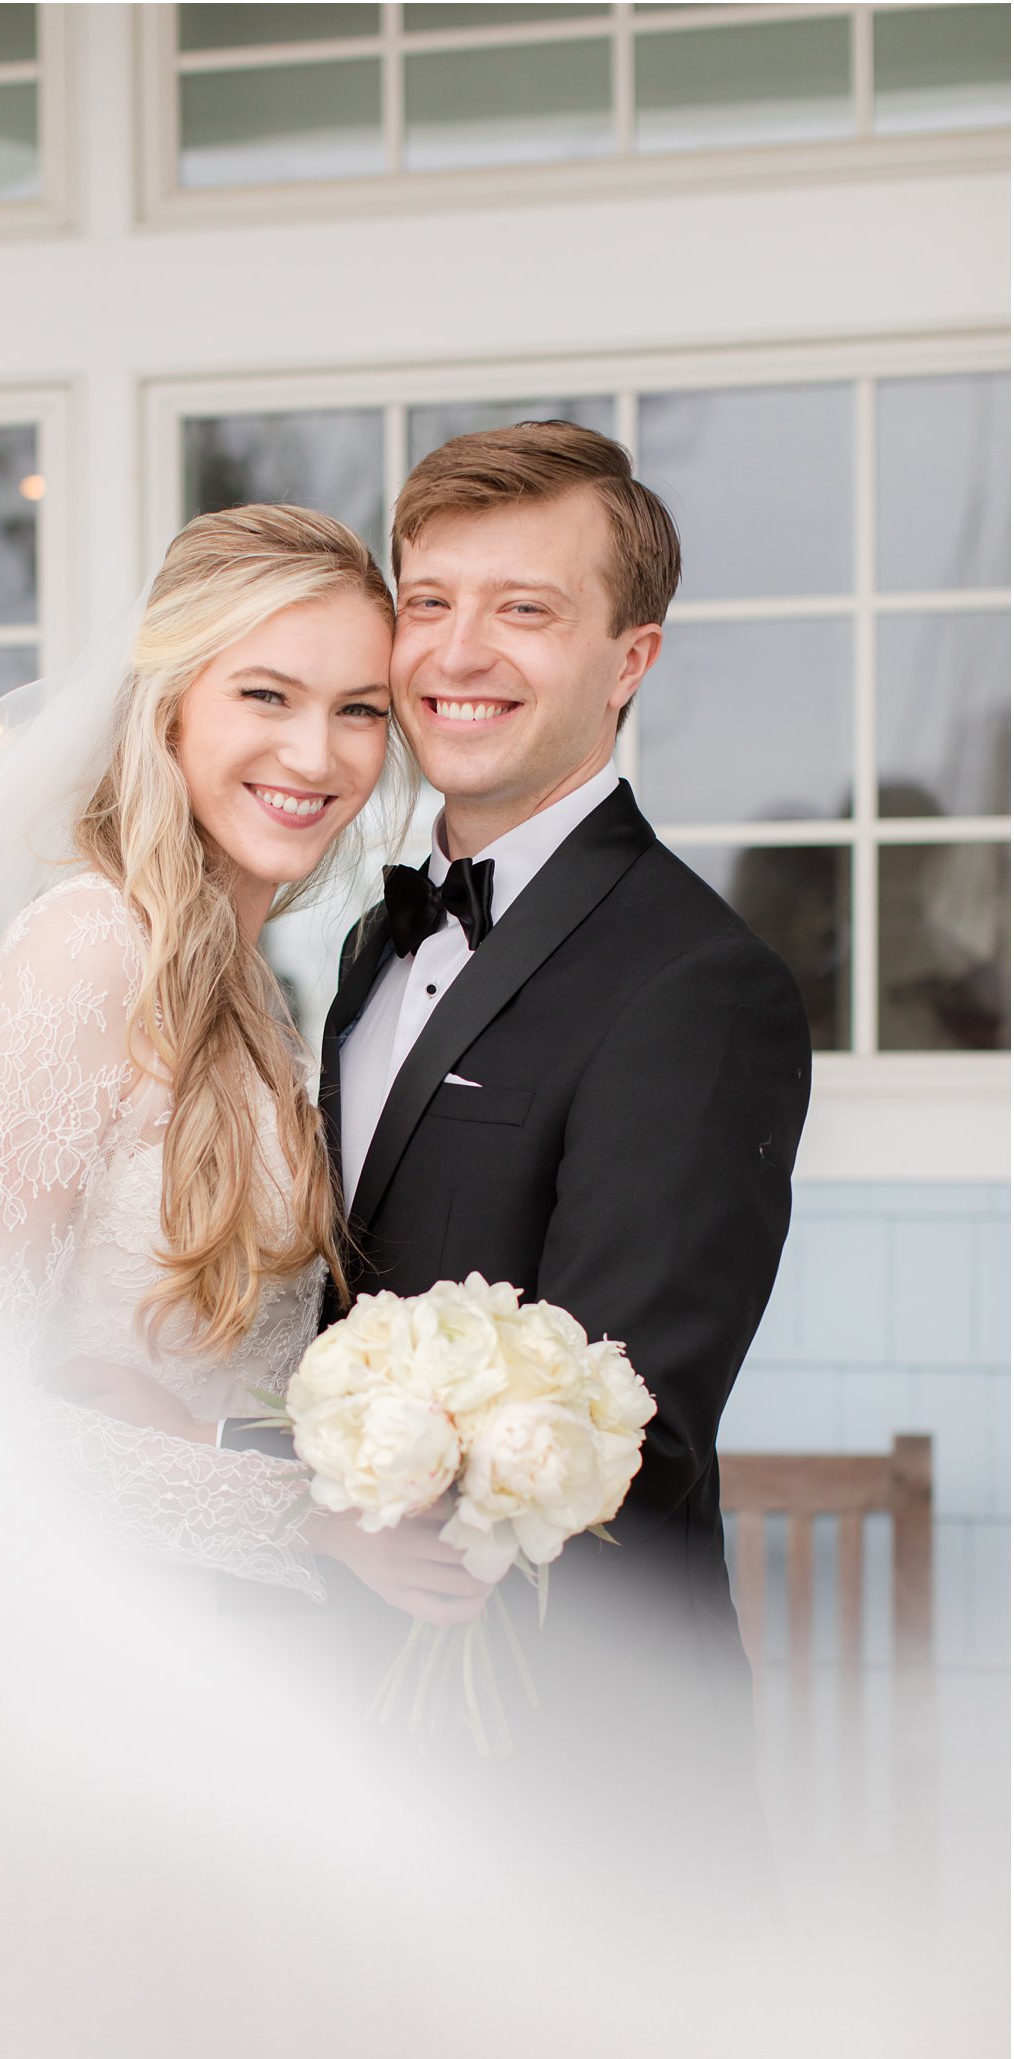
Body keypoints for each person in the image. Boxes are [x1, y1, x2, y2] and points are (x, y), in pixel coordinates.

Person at [319, 422, 813, 1860]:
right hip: (353, 1741)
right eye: (431, 602)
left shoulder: (696, 984)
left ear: (630, 661)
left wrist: (291, 1498)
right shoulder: (372, 940)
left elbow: (627, 1429)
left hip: (568, 1756)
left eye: (525, 610)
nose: (459, 653)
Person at [0, 501, 495, 1628]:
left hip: (237, 1643)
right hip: (84, 1646)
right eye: (266, 694)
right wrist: (295, 1516)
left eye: (358, 711)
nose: (314, 754)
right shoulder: (87, 947)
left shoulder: (253, 990)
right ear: (169, 703)